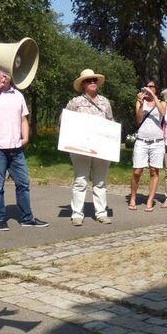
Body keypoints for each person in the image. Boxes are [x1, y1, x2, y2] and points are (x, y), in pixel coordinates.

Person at [0, 70, 49, 231]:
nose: (5, 76)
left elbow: (23, 118)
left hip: (16, 149)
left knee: (23, 184)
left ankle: (27, 218)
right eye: (1, 72)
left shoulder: (17, 95)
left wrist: (25, 138)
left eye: (7, 73)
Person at [66, 69, 115, 226]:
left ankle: (101, 213)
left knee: (100, 182)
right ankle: (77, 214)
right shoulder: (75, 102)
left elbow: (111, 122)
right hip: (81, 148)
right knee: (81, 181)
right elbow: (64, 120)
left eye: (94, 80)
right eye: (88, 80)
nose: (92, 82)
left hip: (101, 148)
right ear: (83, 85)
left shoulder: (105, 102)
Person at [128, 79, 166, 211]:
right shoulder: (140, 101)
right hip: (142, 140)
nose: (149, 89)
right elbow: (138, 119)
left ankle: (150, 200)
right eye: (147, 86)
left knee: (154, 171)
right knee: (137, 171)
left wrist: (154, 97)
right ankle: (133, 197)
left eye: (152, 87)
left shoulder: (161, 102)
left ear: (156, 89)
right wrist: (140, 102)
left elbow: (163, 114)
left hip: (157, 142)